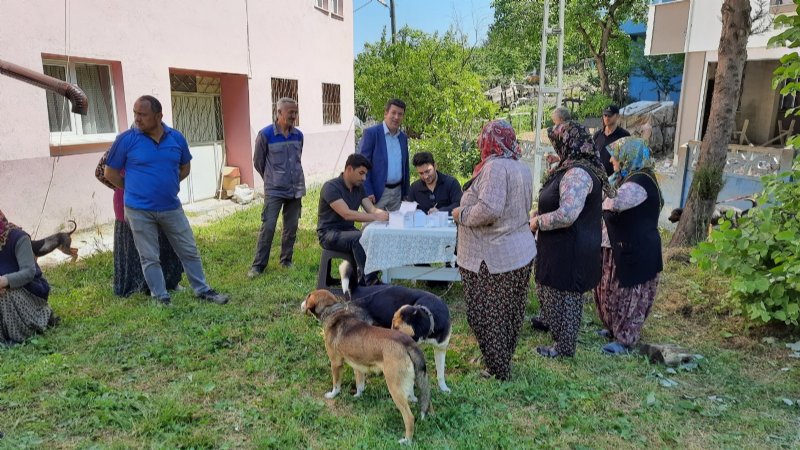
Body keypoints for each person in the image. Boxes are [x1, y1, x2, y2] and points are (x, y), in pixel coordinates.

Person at [104, 95, 229, 306]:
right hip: (138, 209)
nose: (137, 118)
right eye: (135, 113)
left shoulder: (176, 138)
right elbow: (110, 172)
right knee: (149, 256)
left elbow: (185, 167)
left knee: (188, 249)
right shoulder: (126, 139)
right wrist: (134, 188)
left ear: (159, 116)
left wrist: (168, 185)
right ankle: (160, 296)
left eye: (142, 114)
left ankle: (202, 289)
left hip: (170, 206)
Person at [451, 120, 536, 380]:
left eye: (482, 138)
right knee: (509, 313)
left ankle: (497, 369)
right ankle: (499, 359)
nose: (479, 142)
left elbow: (489, 209)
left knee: (488, 315)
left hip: (492, 257)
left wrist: (461, 214)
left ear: (489, 141)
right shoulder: (520, 165)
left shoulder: (495, 167)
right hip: (517, 252)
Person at [530, 121, 615, 358]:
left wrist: (538, 222)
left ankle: (564, 348)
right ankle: (561, 342)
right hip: (566, 245)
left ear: (568, 143)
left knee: (566, 297)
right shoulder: (574, 167)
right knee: (557, 293)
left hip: (570, 247)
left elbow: (567, 214)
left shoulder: (577, 173)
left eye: (557, 143)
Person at [596, 137, 663, 354]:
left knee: (630, 294)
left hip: (638, 250)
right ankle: (615, 328)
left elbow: (614, 202)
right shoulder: (625, 178)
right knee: (612, 290)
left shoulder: (640, 181)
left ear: (628, 156)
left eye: (616, 156)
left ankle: (625, 339)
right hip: (619, 246)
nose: (613, 161)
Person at [248, 97, 306, 279]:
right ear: (279, 113)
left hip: (296, 188)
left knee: (291, 227)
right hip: (274, 190)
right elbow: (258, 162)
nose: (294, 116)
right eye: (291, 113)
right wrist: (272, 178)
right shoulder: (265, 135)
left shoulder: (299, 135)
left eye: (296, 113)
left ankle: (286, 260)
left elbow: (298, 158)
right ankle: (258, 266)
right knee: (269, 227)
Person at [317, 153, 389, 286]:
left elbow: (372, 209)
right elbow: (347, 214)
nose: (364, 178)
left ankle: (364, 278)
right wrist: (375, 217)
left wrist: (389, 216)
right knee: (359, 237)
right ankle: (371, 282)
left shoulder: (359, 188)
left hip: (348, 231)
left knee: (374, 235)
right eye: (361, 173)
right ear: (349, 169)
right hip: (329, 234)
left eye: (365, 174)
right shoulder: (331, 187)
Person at [0, 209, 58, 345]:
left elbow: (28, 272)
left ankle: (20, 333)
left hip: (29, 289)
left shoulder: (18, 238)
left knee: (6, 296)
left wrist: (4, 281)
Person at [112, 187, 183, 297]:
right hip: (130, 203)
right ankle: (142, 286)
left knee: (164, 242)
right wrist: (128, 185)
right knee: (141, 249)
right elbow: (102, 173)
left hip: (159, 200)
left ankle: (171, 282)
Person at [357, 99, 410, 211]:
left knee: (396, 226)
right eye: (393, 113)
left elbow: (405, 167)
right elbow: (361, 165)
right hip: (376, 194)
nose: (396, 117)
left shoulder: (403, 138)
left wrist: (406, 193)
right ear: (386, 113)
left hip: (397, 193)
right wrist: (368, 191)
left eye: (400, 114)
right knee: (372, 226)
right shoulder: (372, 134)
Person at [593, 104, 630, 176]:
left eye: (609, 115)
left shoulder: (624, 135)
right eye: (605, 115)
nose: (606, 118)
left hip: (615, 179)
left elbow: (629, 159)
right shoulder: (597, 135)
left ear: (617, 116)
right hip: (598, 177)